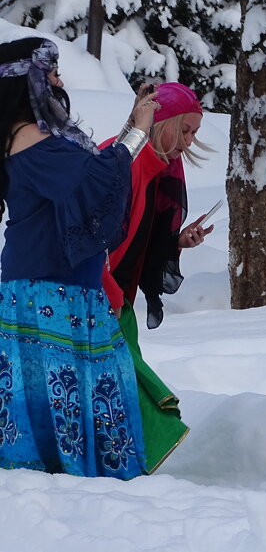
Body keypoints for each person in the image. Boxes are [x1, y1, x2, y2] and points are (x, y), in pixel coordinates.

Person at [0, 36, 158, 477]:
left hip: (58, 286)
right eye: (50, 73)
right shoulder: (29, 135)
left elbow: (90, 176)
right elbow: (87, 187)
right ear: (26, 82)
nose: (59, 81)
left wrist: (131, 129)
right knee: (65, 389)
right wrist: (139, 133)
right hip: (48, 288)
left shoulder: (33, 136)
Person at [100, 82, 215, 472]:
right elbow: (89, 239)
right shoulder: (120, 161)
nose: (189, 142)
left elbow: (139, 241)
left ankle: (117, 462)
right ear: (160, 120)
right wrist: (109, 294)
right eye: (185, 130)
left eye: (195, 133)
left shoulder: (162, 170)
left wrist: (177, 241)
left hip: (117, 299)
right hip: (94, 295)